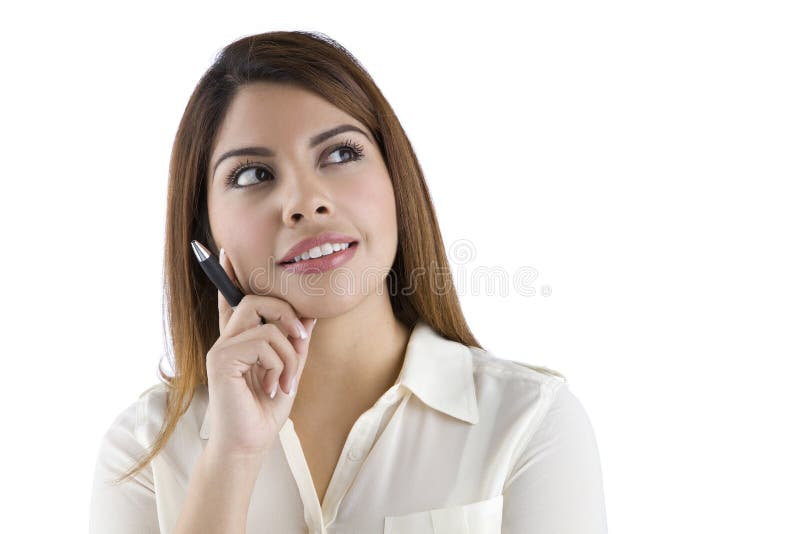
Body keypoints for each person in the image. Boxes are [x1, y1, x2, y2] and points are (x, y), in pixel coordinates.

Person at [88, 30, 608, 534]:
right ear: (204, 230)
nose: (304, 202)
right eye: (252, 175)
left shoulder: (527, 424)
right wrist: (231, 458)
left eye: (340, 154)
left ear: (395, 179)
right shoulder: (143, 451)